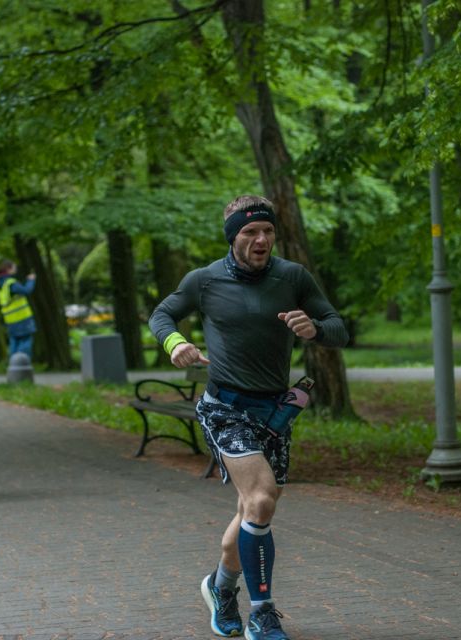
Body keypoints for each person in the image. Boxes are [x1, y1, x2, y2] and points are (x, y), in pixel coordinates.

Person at [149, 195, 349, 640]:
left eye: (268, 231)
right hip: (225, 407)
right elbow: (162, 314)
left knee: (252, 510)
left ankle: (220, 587)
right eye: (250, 232)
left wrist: (315, 329)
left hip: (275, 412)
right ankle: (262, 612)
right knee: (260, 501)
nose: (261, 239)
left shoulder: (292, 277)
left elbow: (339, 328)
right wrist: (175, 343)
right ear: (233, 237)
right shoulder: (205, 280)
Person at [0, 259, 37, 360]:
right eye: (14, 267)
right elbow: (26, 291)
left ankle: (13, 365)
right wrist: (31, 280)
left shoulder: (0, 284)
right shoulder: (10, 283)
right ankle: (21, 364)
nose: (16, 269)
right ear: (8, 269)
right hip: (22, 318)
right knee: (26, 341)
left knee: (14, 342)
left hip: (10, 320)